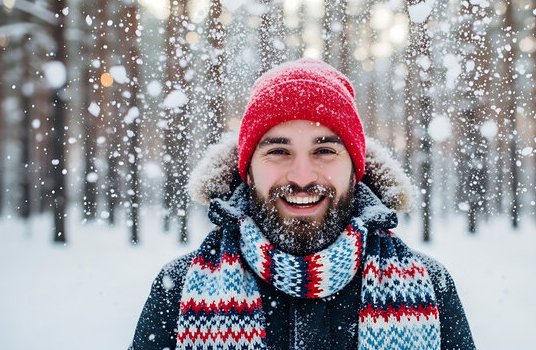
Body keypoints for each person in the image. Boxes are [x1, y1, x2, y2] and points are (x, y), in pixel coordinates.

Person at [131, 58, 475, 349]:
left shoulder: (429, 285)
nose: (302, 176)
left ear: (356, 171)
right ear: (248, 172)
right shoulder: (179, 287)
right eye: (278, 152)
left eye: (324, 151)